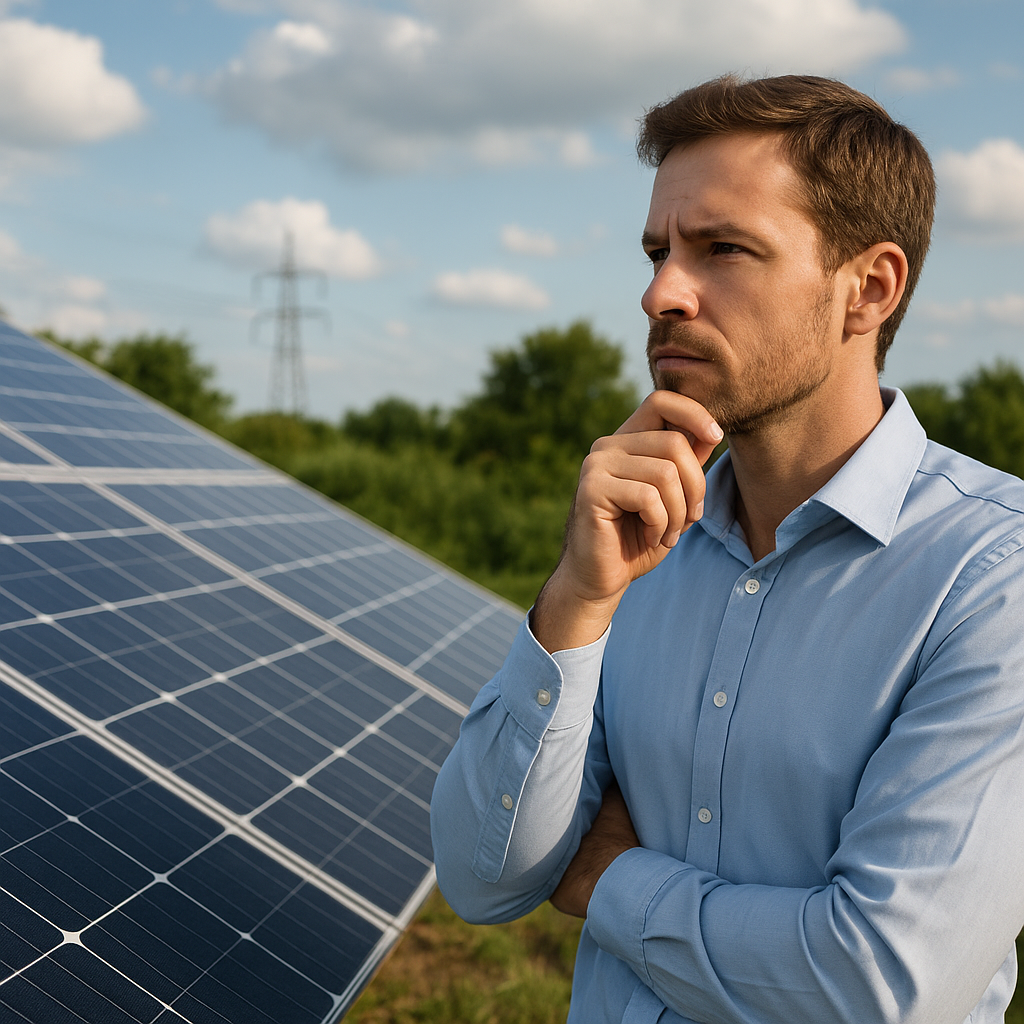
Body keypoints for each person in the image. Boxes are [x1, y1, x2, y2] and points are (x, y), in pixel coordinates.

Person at [430, 74, 1024, 1023]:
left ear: (868, 289)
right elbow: (480, 879)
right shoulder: (639, 541)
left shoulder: (993, 578)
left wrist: (612, 879)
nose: (660, 292)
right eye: (658, 251)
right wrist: (578, 598)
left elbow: (881, 989)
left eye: (724, 250)